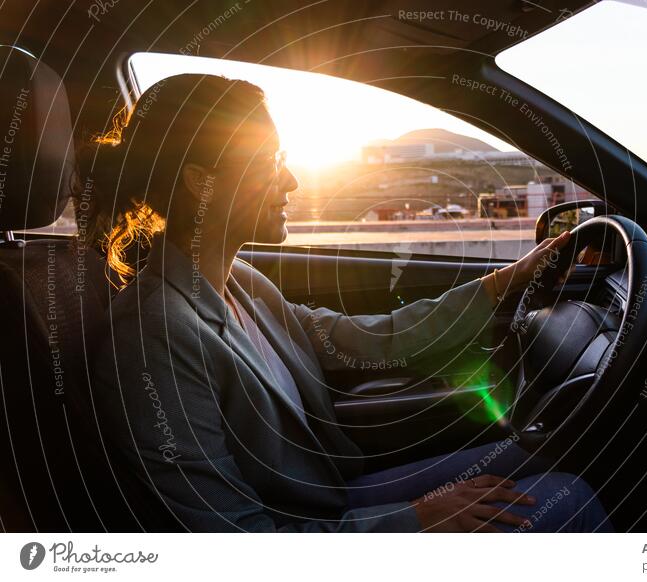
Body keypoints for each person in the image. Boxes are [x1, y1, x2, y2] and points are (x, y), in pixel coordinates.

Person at [82, 74, 612, 532]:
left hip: (330, 496)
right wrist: (416, 522)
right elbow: (234, 536)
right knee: (572, 500)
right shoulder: (153, 337)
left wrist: (508, 281)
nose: (289, 180)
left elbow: (373, 340)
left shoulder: (242, 283)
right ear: (202, 182)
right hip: (304, 528)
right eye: (268, 162)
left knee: (545, 446)